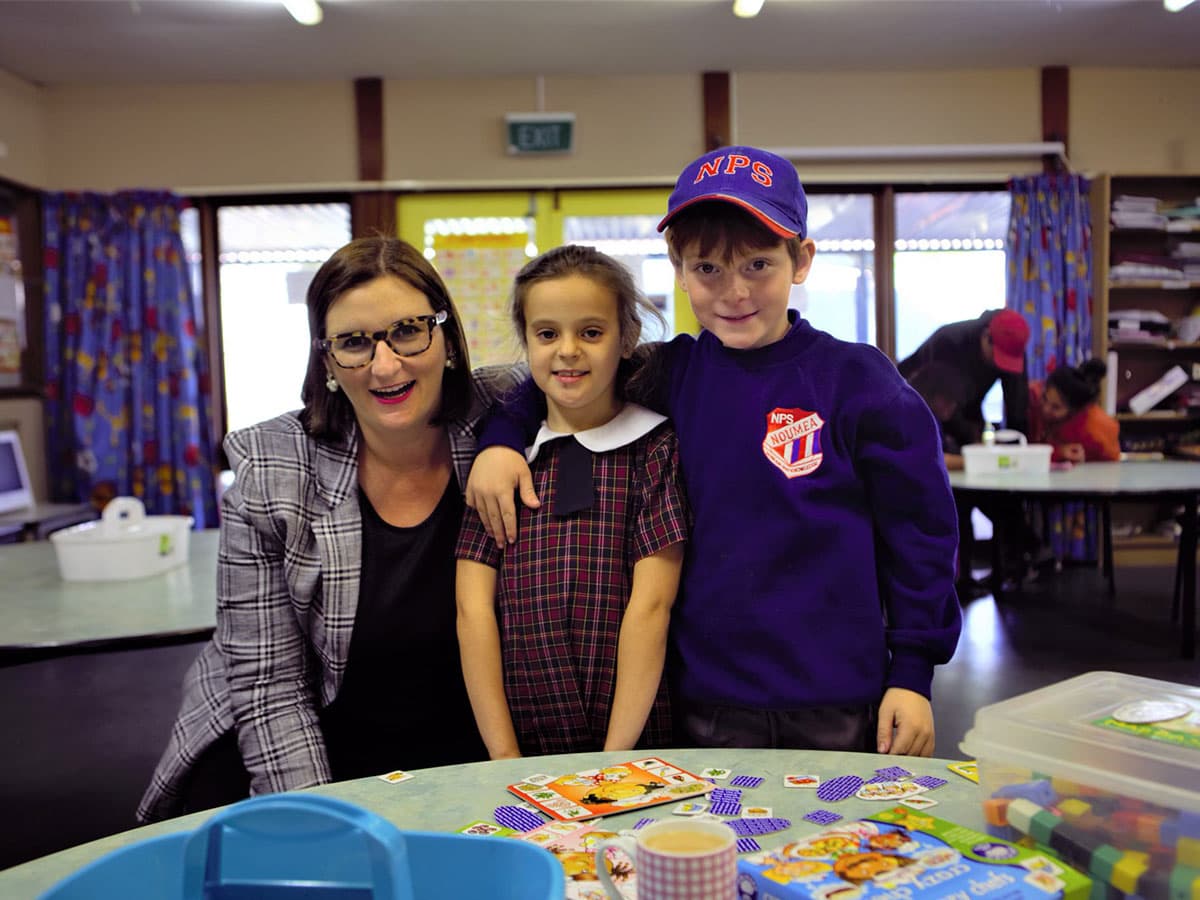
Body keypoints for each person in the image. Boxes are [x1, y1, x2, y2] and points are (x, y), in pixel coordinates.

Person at [467, 146, 962, 757]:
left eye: (758, 264)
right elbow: (560, 378)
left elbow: (921, 534)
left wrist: (912, 672)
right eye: (708, 269)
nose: (734, 291)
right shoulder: (671, 373)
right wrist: (500, 441)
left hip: (840, 697)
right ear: (678, 268)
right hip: (704, 703)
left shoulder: (859, 382)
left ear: (801, 260)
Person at [137, 236, 522, 823]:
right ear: (327, 361)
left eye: (408, 331)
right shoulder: (273, 469)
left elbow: (609, 361)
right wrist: (321, 827)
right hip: (318, 753)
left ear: (447, 338)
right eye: (354, 342)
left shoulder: (505, 408)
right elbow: (271, 686)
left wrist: (506, 439)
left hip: (470, 753)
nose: (385, 365)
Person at [455, 244, 688, 758]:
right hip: (522, 748)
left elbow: (652, 607)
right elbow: (472, 611)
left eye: (591, 332)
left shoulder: (655, 449)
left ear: (627, 337)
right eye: (547, 334)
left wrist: (616, 757)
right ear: (526, 340)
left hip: (635, 746)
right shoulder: (498, 466)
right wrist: (503, 757)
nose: (567, 350)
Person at [897, 309, 1032, 449]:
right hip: (914, 409)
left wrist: (1017, 449)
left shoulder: (1013, 348)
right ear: (986, 336)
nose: (1000, 366)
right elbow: (943, 408)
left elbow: (1018, 404)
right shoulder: (948, 342)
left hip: (964, 409)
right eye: (997, 358)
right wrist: (973, 438)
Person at [1028, 359, 1120, 463]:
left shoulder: (1094, 430)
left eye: (1056, 407)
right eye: (1044, 398)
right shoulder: (1031, 398)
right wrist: (1058, 452)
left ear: (1074, 411)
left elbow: (1111, 464)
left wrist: (1086, 462)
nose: (1045, 408)